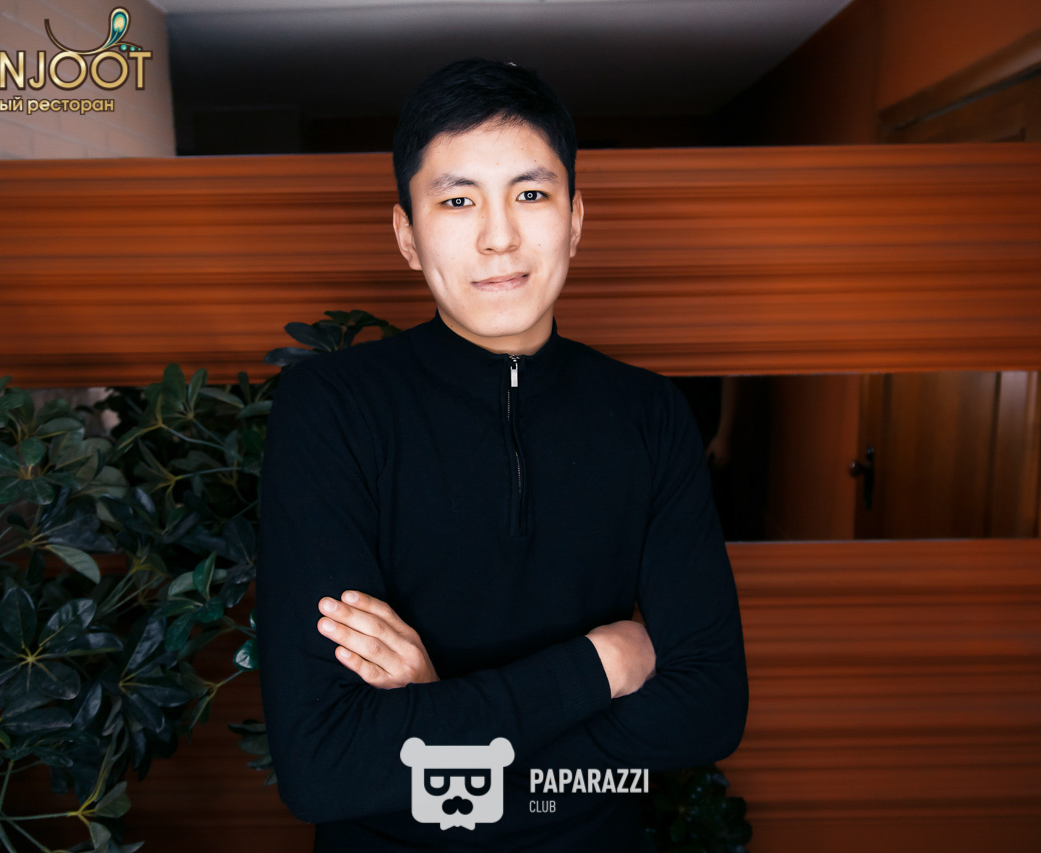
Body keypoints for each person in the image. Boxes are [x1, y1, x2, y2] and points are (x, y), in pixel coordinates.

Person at [256, 57, 748, 852]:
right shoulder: (332, 409)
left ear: (575, 219)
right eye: (458, 200)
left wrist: (437, 712)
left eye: (531, 194)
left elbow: (710, 708)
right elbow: (325, 766)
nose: (499, 236)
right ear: (407, 235)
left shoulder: (651, 414)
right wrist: (602, 663)